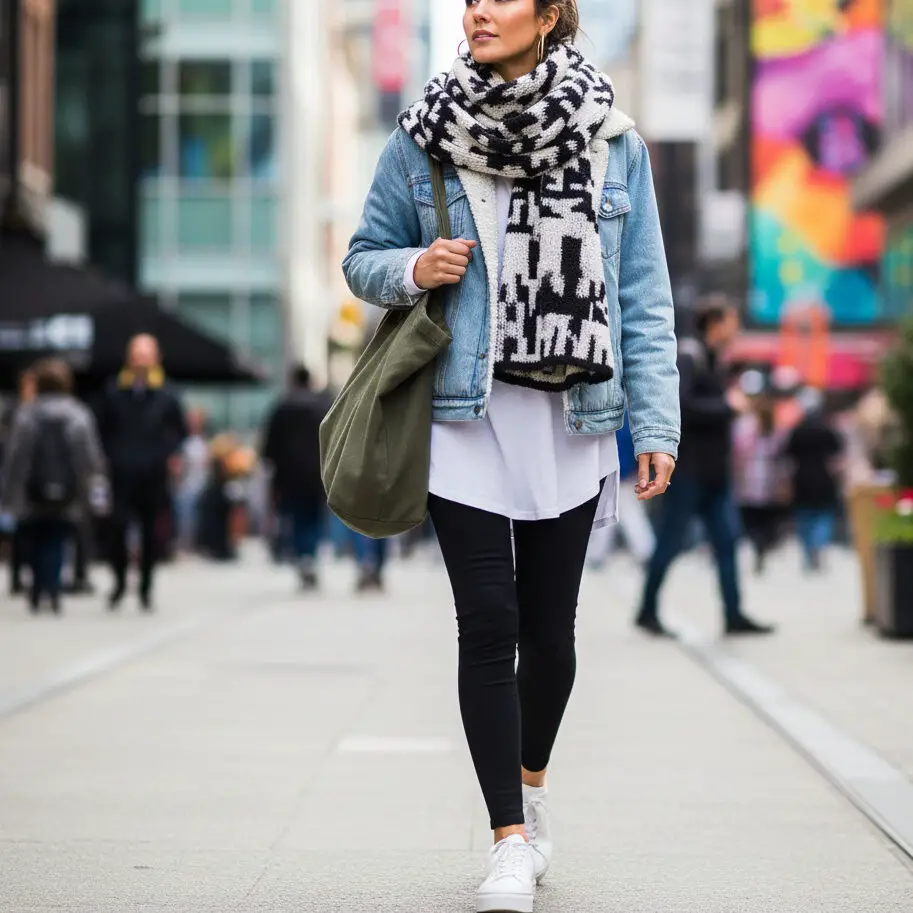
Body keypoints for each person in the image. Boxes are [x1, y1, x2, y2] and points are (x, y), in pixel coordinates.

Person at [342, 2, 680, 909]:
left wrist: (655, 424)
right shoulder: (425, 133)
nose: (479, 9)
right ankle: (507, 838)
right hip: (464, 413)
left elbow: (642, 294)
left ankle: (529, 786)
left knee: (552, 637)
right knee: (486, 624)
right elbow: (362, 255)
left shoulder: (613, 143)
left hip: (572, 416)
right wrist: (415, 267)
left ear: (551, 14)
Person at [636, 299, 775, 638]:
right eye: (733, 321)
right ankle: (647, 609)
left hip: (715, 474)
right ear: (715, 324)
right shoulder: (689, 356)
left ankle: (733, 613)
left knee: (727, 542)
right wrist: (727, 406)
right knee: (670, 542)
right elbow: (680, 406)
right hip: (687, 474)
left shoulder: (715, 361)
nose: (737, 329)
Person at [1, 359, 106, 613]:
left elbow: (16, 456)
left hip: (32, 491)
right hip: (68, 491)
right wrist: (94, 489)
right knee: (58, 540)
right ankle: (54, 587)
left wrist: (9, 493)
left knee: (35, 538)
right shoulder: (78, 414)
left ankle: (38, 588)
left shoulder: (27, 414)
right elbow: (89, 458)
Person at [95, 334, 187, 610]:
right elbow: (101, 429)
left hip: (153, 474)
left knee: (150, 533)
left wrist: (167, 455)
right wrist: (111, 457)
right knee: (117, 529)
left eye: (146, 354)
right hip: (120, 474)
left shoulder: (167, 394)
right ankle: (120, 582)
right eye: (137, 354)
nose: (141, 360)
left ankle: (146, 587)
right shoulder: (113, 391)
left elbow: (180, 431)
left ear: (156, 357)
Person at [262, 365, 332, 589]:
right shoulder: (323, 406)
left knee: (296, 517)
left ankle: (303, 555)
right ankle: (309, 555)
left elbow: (270, 446)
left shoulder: (282, 407)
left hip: (289, 475)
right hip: (317, 474)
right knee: (314, 517)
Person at [784, 388, 845, 571]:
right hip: (823, 478)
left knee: (805, 517)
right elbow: (838, 456)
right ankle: (818, 546)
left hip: (801, 479)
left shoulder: (797, 430)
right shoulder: (827, 429)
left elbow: (788, 456)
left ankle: (808, 551)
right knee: (823, 516)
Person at [586, 410, 657, 568]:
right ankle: (599, 554)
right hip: (620, 472)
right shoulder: (630, 416)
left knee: (621, 514)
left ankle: (644, 551)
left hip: (617, 473)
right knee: (617, 514)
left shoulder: (614, 417)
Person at [733, 392, 790, 574]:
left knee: (751, 521)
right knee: (766, 521)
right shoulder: (777, 429)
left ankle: (758, 546)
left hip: (750, 479)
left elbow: (738, 454)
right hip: (769, 480)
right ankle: (761, 547)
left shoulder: (745, 427)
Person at [1, 368, 36, 595]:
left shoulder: (40, 410)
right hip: (16, 475)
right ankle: (16, 576)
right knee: (17, 528)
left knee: (35, 529)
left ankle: (36, 574)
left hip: (39, 475)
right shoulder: (13, 410)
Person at [174, 408, 210, 553]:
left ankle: (198, 543)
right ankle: (185, 543)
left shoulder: (204, 440)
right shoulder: (182, 441)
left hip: (202, 483)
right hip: (186, 485)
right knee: (185, 514)